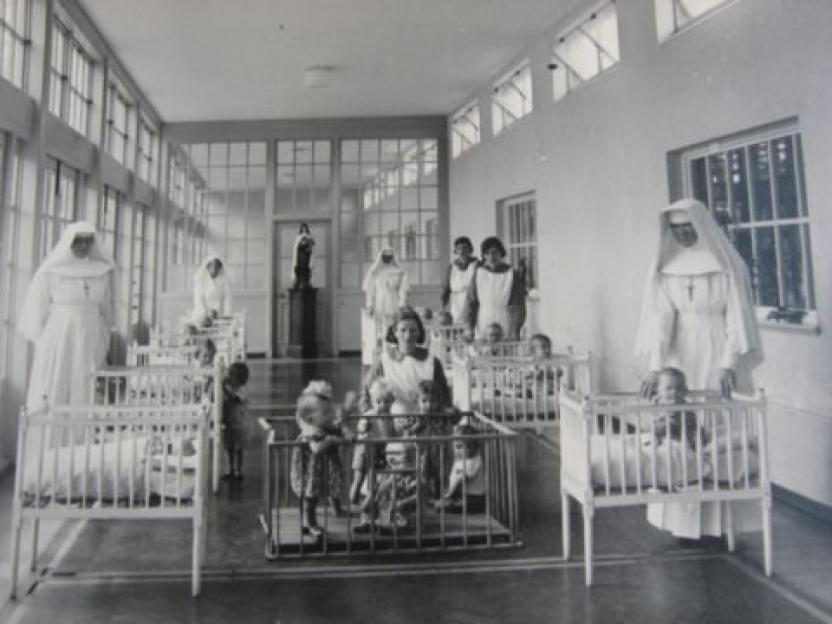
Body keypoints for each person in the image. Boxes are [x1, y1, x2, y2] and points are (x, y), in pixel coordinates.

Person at [635, 198, 763, 539]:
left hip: (717, 350)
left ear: (702, 226)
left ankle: (724, 526)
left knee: (717, 427)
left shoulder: (727, 267)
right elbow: (661, 320)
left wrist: (728, 363)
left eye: (688, 228)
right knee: (678, 428)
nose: (683, 235)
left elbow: (735, 318)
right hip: (680, 354)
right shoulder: (667, 268)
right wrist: (655, 366)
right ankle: (681, 522)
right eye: (676, 230)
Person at [19, 222, 116, 411]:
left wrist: (104, 338)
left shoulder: (102, 273)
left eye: (87, 242)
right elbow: (38, 308)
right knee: (57, 383)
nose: (82, 246)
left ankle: (81, 438)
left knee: (85, 383)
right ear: (68, 243)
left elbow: (106, 309)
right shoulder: (51, 272)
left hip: (90, 334)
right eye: (77, 241)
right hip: (60, 336)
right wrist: (44, 341)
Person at [290, 381, 356, 535]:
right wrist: (331, 440)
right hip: (310, 469)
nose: (331, 416)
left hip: (323, 466)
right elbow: (316, 448)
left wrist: (345, 431)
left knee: (329, 486)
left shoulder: (323, 424)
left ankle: (334, 509)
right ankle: (310, 523)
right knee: (310, 496)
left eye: (329, 411)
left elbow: (340, 428)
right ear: (310, 418)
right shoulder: (311, 429)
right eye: (325, 413)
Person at [364, 307, 451, 412]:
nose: (408, 336)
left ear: (419, 332)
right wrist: (366, 417)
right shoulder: (383, 361)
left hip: (426, 420)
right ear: (395, 332)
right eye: (403, 330)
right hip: (392, 421)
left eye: (413, 331)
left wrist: (447, 409)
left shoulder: (432, 361)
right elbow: (366, 392)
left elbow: (444, 395)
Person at [463, 236, 526, 341]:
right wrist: (469, 327)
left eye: (494, 252)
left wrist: (515, 329)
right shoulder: (479, 273)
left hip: (504, 317)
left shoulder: (511, 274)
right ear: (484, 256)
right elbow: (471, 301)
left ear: (501, 253)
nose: (491, 256)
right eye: (487, 253)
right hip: (482, 318)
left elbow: (518, 305)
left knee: (503, 350)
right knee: (483, 351)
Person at [349, 378, 396, 506]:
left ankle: (372, 501)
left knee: (373, 476)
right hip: (364, 450)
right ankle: (353, 500)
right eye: (378, 402)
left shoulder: (390, 418)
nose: (383, 405)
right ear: (372, 401)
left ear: (392, 402)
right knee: (358, 477)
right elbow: (362, 427)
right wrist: (364, 428)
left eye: (386, 402)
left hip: (379, 450)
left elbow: (392, 433)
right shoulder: (369, 415)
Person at [361, 247, 410, 365]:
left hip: (394, 303)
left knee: (394, 329)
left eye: (390, 257)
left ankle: (395, 357)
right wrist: (369, 305)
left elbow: (403, 290)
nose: (387, 259)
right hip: (379, 304)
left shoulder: (399, 272)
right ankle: (381, 359)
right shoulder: (375, 272)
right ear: (381, 257)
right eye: (385, 257)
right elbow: (370, 290)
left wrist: (402, 304)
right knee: (379, 331)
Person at [432, 424, 486, 514]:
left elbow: (462, 481)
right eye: (455, 447)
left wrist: (449, 495)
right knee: (440, 503)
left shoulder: (473, 461)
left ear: (473, 447)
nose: (457, 451)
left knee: (441, 506)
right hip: (462, 496)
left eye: (460, 447)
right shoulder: (461, 460)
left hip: (473, 499)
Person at [221, 362, 250, 480]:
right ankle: (230, 469)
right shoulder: (230, 388)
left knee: (238, 448)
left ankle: (238, 470)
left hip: (240, 424)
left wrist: (223, 387)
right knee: (229, 447)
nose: (228, 377)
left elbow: (234, 399)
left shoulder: (242, 390)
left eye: (231, 375)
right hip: (229, 422)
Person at [440, 236, 478, 323]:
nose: (462, 251)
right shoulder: (452, 267)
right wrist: (443, 307)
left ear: (470, 249)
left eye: (465, 248)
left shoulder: (477, 265)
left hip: (472, 302)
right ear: (455, 250)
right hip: (456, 304)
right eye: (459, 248)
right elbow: (446, 288)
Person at [191, 256, 232, 324]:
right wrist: (206, 313)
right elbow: (198, 299)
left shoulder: (224, 280)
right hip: (202, 314)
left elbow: (227, 298)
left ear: (220, 268)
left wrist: (226, 313)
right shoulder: (201, 280)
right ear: (208, 267)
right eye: (212, 266)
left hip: (219, 313)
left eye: (217, 267)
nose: (214, 269)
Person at [292, 223, 315, 289]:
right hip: (300, 257)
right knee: (299, 269)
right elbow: (296, 248)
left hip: (307, 257)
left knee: (306, 269)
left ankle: (307, 282)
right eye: (303, 229)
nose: (304, 230)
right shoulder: (298, 238)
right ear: (301, 229)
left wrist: (308, 247)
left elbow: (312, 246)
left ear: (307, 229)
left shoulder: (310, 237)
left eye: (305, 229)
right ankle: (298, 281)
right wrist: (301, 244)